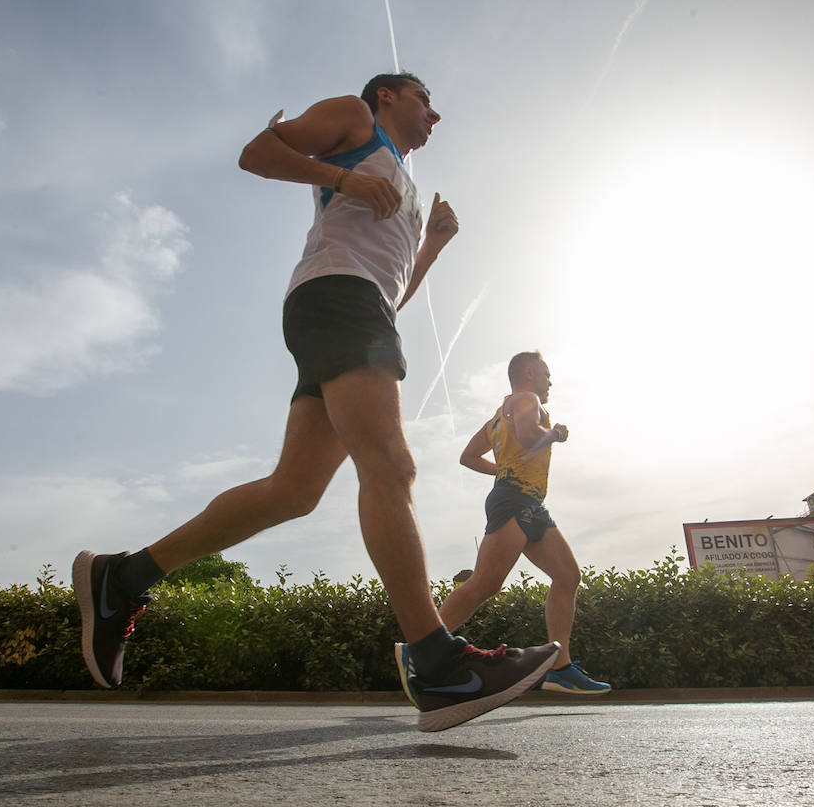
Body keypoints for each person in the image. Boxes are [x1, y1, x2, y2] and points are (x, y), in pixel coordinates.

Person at [72, 72, 558, 733]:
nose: (435, 115)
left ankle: (122, 577)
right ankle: (441, 666)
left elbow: (389, 296)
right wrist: (345, 178)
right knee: (389, 466)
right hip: (336, 301)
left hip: (356, 309)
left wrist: (433, 246)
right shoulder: (354, 119)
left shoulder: (405, 190)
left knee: (294, 490)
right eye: (424, 99)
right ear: (387, 96)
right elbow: (257, 153)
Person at [396, 352, 610, 701]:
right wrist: (553, 433)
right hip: (516, 500)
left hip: (526, 501)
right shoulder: (528, 400)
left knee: (568, 576)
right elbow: (528, 436)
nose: (550, 381)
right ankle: (420, 646)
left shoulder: (498, 416)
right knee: (484, 584)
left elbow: (468, 456)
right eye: (546, 373)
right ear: (529, 373)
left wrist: (502, 469)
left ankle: (560, 668)